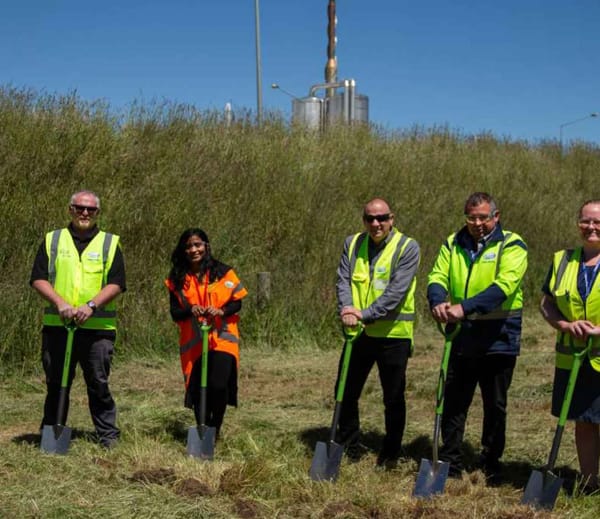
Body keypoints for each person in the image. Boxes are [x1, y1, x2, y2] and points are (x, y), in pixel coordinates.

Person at [427, 192, 527, 481]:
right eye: (472, 217)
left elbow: (504, 285)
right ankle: (450, 461)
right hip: (462, 334)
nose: (477, 223)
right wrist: (437, 301)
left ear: (496, 216)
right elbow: (437, 276)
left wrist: (464, 307)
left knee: (494, 403)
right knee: (455, 400)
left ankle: (491, 459)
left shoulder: (512, 243)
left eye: (484, 217)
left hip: (499, 335)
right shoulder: (452, 242)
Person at [30, 190, 126, 448]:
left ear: (97, 213)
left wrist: (91, 305)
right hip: (58, 327)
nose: (85, 213)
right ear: (70, 209)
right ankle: (52, 432)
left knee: (98, 383)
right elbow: (38, 278)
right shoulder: (53, 240)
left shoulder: (109, 243)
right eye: (80, 208)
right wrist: (60, 303)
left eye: (90, 210)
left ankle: (108, 436)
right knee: (57, 383)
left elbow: (117, 283)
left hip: (97, 330)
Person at [335, 198, 420, 468]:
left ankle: (391, 452)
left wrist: (366, 313)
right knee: (345, 391)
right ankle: (348, 445)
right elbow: (343, 279)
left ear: (391, 218)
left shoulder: (407, 247)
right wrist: (347, 307)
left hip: (393, 335)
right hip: (357, 333)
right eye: (370, 218)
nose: (375, 223)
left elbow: (397, 292)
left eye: (381, 218)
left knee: (392, 397)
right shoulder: (353, 243)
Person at [540, 199, 600, 494]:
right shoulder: (562, 260)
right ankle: (589, 484)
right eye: (586, 221)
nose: (591, 227)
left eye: (597, 222)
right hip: (573, 359)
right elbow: (546, 303)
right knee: (584, 421)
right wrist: (565, 325)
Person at [165, 228, 248, 439]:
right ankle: (202, 432)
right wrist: (190, 310)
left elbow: (237, 302)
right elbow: (175, 313)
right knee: (197, 388)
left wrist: (221, 311)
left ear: (206, 246)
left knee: (219, 385)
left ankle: (214, 429)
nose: (194, 250)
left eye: (198, 245)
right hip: (193, 341)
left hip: (222, 338)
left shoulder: (224, 272)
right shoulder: (177, 279)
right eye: (189, 246)